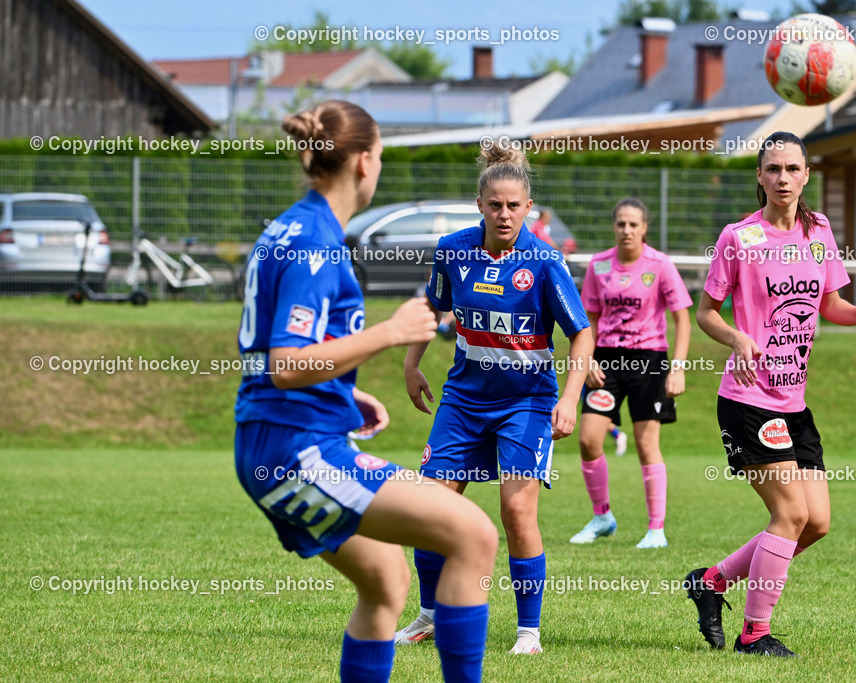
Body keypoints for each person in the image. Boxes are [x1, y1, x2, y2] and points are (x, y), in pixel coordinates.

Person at [234, 100, 498, 682]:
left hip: (279, 436)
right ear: (362, 162)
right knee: (474, 534)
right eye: (379, 155)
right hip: (295, 450)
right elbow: (283, 364)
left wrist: (341, 395)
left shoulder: (295, 227)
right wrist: (389, 333)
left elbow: (272, 356)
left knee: (386, 582)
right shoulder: (314, 243)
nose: (379, 167)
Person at [684, 131, 856, 657]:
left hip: (794, 403)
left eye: (792, 169)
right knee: (790, 516)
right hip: (748, 401)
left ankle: (711, 582)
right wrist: (736, 336)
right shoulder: (738, 238)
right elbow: (704, 312)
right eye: (772, 169)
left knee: (815, 523)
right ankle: (755, 634)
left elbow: (829, 303)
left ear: (806, 174)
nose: (782, 178)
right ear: (759, 176)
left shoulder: (819, 232)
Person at [396, 143, 594, 655]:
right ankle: (429, 617)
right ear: (479, 205)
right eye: (494, 205)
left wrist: (570, 397)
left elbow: (582, 333)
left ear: (530, 208)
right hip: (463, 400)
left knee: (516, 511)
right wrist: (412, 362)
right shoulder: (453, 250)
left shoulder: (546, 261)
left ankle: (528, 631)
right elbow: (431, 305)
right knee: (428, 508)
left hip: (527, 404)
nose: (504, 214)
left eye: (513, 206)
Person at [569, 198, 692, 549]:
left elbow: (682, 318)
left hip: (650, 361)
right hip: (607, 361)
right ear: (614, 227)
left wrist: (678, 368)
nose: (627, 230)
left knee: (645, 443)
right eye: (621, 224)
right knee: (589, 439)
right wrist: (588, 359)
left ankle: (656, 530)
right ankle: (602, 517)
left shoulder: (661, 265)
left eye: (633, 224)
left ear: (644, 228)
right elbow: (587, 320)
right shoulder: (598, 266)